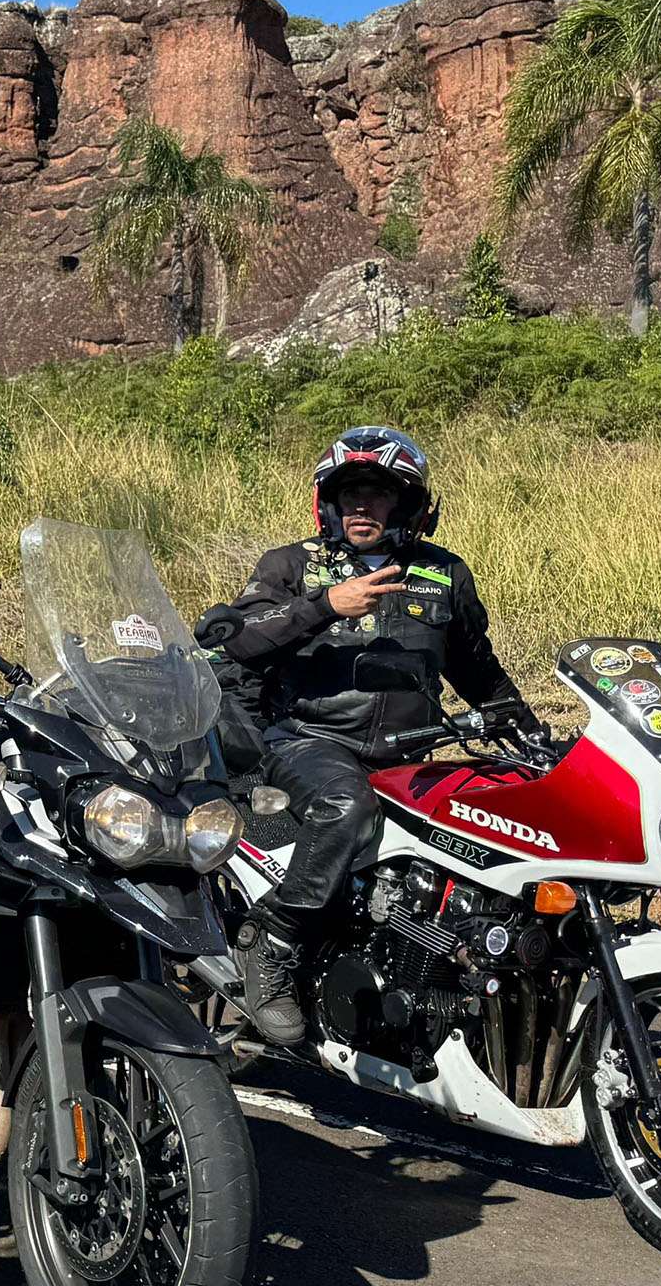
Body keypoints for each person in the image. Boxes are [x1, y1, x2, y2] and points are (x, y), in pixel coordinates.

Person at [213, 425, 535, 1044]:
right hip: (308, 741)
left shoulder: (444, 573)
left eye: (379, 493)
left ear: (408, 504)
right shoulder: (291, 565)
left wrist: (530, 734)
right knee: (347, 804)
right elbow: (242, 640)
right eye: (350, 494)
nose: (362, 506)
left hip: (412, 754)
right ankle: (274, 939)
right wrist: (325, 606)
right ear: (329, 504)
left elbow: (477, 669)